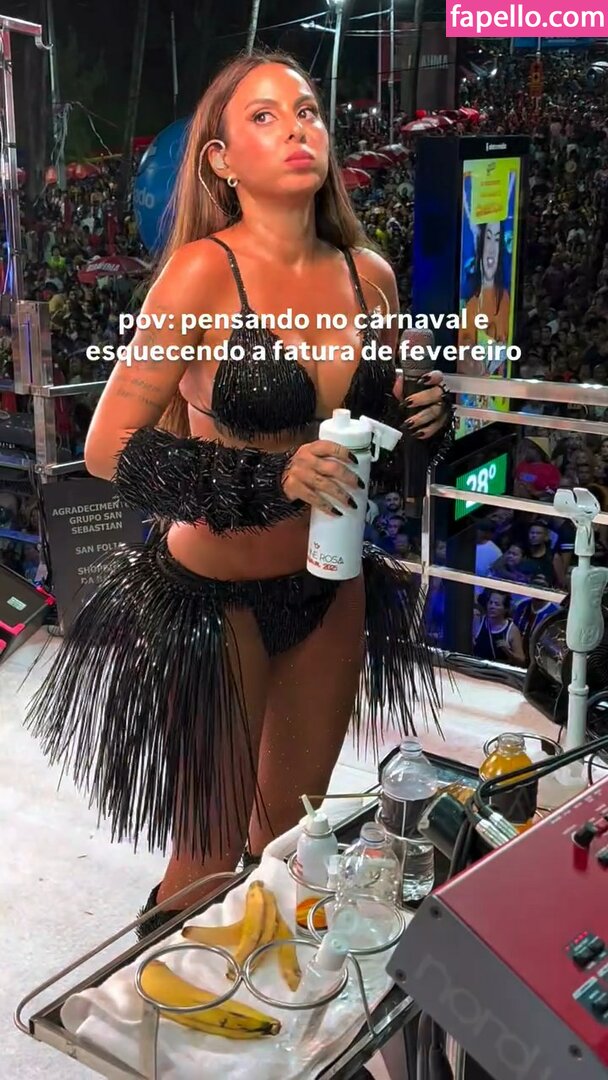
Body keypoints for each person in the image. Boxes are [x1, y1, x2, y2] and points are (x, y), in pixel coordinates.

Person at [25, 52, 452, 938]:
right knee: (206, 858)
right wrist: (270, 476)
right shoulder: (202, 274)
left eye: (308, 110)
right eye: (264, 116)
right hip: (210, 601)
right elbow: (106, 447)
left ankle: (258, 995)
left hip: (331, 590)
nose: (297, 127)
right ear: (220, 160)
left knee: (288, 841)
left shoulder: (368, 276)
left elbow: (375, 438)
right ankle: (166, 996)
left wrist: (422, 419)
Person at [459, 220, 511, 373]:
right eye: (488, 238)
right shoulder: (467, 302)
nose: (491, 249)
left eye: (497, 239)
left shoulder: (505, 298)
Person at [473, 590, 526, 665]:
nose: (492, 606)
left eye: (497, 604)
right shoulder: (478, 621)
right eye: (490, 603)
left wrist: (508, 651)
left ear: (505, 609)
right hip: (476, 666)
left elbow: (521, 660)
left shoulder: (512, 630)